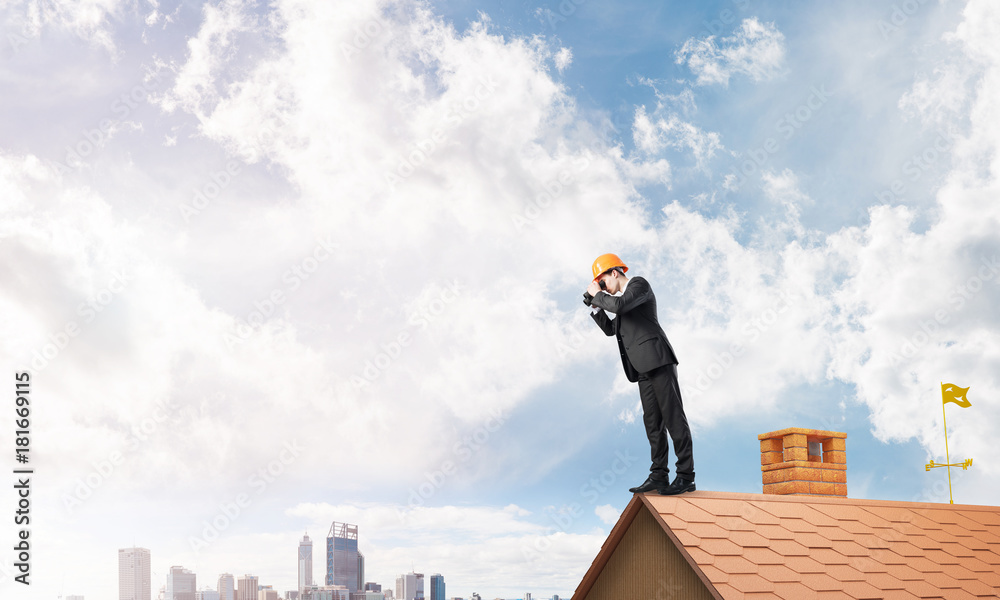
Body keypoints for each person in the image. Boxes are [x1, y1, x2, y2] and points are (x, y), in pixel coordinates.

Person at [583, 253, 695, 495]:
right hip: (641, 368)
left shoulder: (638, 285)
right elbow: (613, 330)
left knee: (674, 418)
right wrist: (596, 306)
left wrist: (598, 294)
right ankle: (659, 476)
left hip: (658, 360)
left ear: (614, 272)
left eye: (602, 281)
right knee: (653, 424)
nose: (603, 288)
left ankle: (686, 477)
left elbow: (619, 306)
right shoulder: (622, 302)